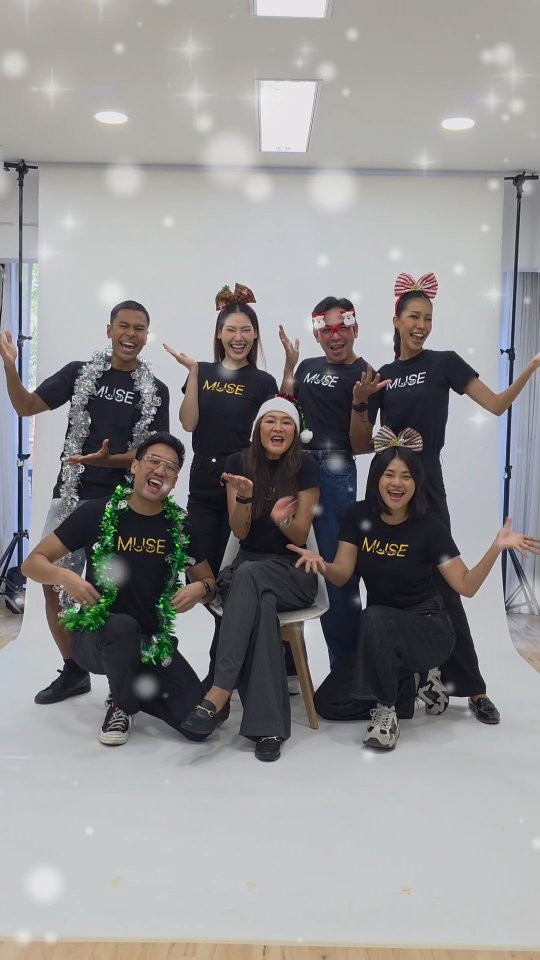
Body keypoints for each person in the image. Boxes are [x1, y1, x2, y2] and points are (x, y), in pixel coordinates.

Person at [352, 272, 540, 725]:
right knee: (382, 577)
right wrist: (360, 402)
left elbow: (496, 404)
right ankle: (395, 680)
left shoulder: (444, 363)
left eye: (428, 318)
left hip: (426, 485)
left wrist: (532, 367)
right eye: (413, 317)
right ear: (396, 321)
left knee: (444, 585)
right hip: (385, 484)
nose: (421, 326)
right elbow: (360, 445)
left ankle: (473, 688)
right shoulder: (382, 376)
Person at [292, 429, 539, 750]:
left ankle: (386, 713)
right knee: (327, 703)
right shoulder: (357, 516)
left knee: (373, 617)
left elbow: (466, 585)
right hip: (381, 638)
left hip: (429, 630)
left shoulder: (429, 526)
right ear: (377, 478)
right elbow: (342, 575)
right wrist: (321, 564)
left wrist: (496, 548)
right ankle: (412, 685)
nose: (397, 483)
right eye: (389, 474)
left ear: (416, 482)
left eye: (406, 476)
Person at [0, 300, 170, 705]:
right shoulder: (80, 373)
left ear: (147, 336)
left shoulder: (156, 390)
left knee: (119, 592)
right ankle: (74, 671)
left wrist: (110, 461)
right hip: (72, 495)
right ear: (109, 330)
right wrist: (10, 367)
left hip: (124, 503)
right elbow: (26, 406)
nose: (130, 334)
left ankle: (123, 681)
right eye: (123, 326)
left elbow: (153, 453)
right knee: (51, 581)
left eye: (139, 328)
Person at [22, 432, 218, 746]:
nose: (160, 470)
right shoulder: (96, 512)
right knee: (121, 626)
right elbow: (32, 564)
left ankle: (131, 687)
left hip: (150, 642)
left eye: (170, 467)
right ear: (135, 467)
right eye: (153, 461)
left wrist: (200, 588)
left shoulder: (181, 525)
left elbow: (209, 583)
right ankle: (121, 705)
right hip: (95, 638)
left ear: (175, 480)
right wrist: (66, 577)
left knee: (200, 726)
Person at [179, 396, 319, 762]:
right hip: (250, 567)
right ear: (258, 428)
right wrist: (244, 499)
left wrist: (282, 519)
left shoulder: (306, 466)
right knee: (262, 603)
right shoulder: (238, 463)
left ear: (295, 431)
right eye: (270, 421)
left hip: (293, 570)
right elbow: (240, 532)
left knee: (249, 576)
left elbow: (301, 535)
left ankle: (219, 692)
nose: (278, 428)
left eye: (286, 422)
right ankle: (269, 727)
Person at [164, 283, 278, 686]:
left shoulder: (262, 381)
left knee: (230, 578)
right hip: (202, 486)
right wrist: (195, 373)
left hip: (242, 486)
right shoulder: (204, 372)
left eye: (246, 329)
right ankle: (225, 668)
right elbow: (188, 423)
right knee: (203, 574)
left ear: (255, 335)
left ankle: (221, 674)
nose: (238, 337)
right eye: (231, 329)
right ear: (219, 334)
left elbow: (272, 433)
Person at [279, 296, 384, 668]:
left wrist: (359, 402)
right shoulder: (307, 365)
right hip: (294, 467)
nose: (335, 336)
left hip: (335, 468)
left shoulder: (367, 374)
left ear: (355, 329)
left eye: (343, 328)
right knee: (286, 561)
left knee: (336, 569)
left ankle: (347, 671)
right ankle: (287, 668)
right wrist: (290, 364)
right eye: (327, 330)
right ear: (317, 333)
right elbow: (285, 404)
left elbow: (361, 445)